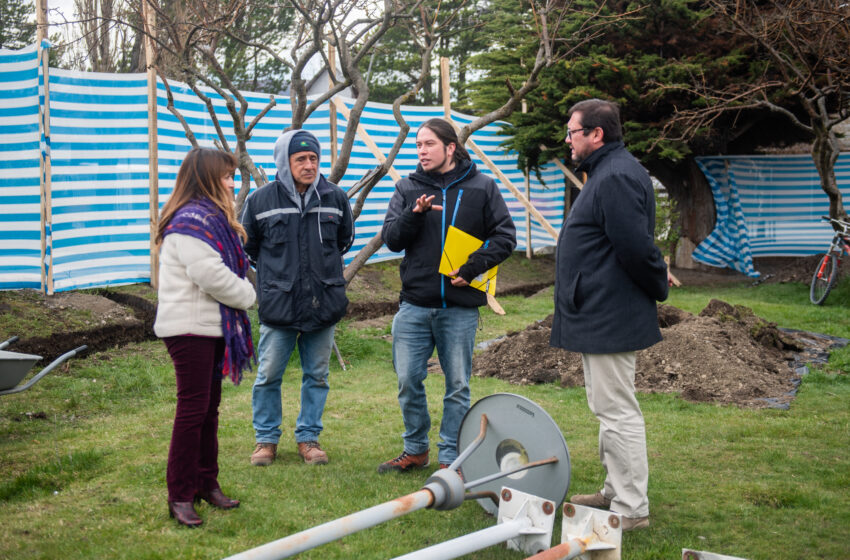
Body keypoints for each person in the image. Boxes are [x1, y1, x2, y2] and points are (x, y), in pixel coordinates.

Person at [549, 99, 670, 532]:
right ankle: (614, 491)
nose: (567, 140)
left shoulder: (615, 176)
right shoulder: (607, 172)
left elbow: (636, 248)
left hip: (609, 313)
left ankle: (631, 508)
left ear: (596, 134)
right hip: (599, 311)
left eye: (572, 132)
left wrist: (658, 285)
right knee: (608, 407)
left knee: (617, 411)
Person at [378, 118, 516, 473]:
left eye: (428, 144)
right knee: (408, 380)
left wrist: (471, 268)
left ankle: (450, 457)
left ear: (450, 147)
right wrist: (414, 214)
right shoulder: (407, 188)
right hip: (414, 306)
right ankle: (416, 449)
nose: (421, 151)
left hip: (460, 309)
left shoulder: (482, 187)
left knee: (457, 386)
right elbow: (392, 238)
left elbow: (505, 236)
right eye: (418, 146)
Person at [153, 147, 256, 528]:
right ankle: (180, 494)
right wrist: (248, 295)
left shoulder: (209, 219)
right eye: (227, 175)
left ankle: (205, 483)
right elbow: (211, 276)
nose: (232, 182)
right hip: (189, 330)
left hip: (209, 328)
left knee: (208, 412)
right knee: (193, 412)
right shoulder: (191, 223)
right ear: (209, 178)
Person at [241, 129, 354, 467]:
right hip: (280, 303)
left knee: (317, 375)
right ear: (284, 162)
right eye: (301, 159)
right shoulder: (260, 201)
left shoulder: (335, 198)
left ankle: (308, 438)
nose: (309, 165)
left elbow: (344, 240)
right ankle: (266, 440)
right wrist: (278, 276)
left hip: (323, 301)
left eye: (314, 159)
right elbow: (249, 247)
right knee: (268, 375)